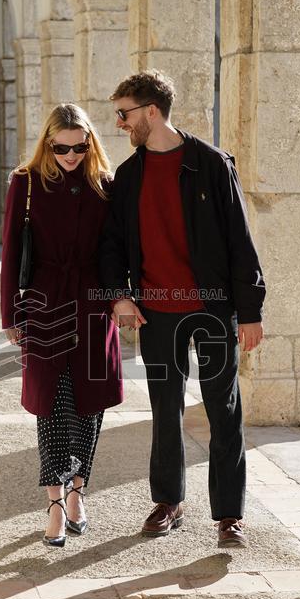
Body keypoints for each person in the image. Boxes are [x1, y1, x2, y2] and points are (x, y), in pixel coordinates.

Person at [99, 70, 265, 549]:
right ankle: (168, 501)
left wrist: (250, 311)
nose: (119, 124)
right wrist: (120, 294)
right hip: (156, 309)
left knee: (223, 409)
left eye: (124, 114)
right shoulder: (127, 177)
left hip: (213, 307)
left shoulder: (212, 164)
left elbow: (239, 239)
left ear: (151, 111)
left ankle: (229, 514)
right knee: (165, 407)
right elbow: (111, 245)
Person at [1, 103, 122, 547]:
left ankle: (77, 493)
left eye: (78, 146)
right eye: (61, 147)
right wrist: (10, 314)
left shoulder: (105, 185)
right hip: (44, 301)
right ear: (47, 143)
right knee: (51, 403)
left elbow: (116, 248)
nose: (70, 155)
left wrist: (119, 298)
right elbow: (12, 252)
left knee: (89, 405)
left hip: (93, 305)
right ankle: (54, 501)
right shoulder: (26, 183)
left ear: (89, 142)